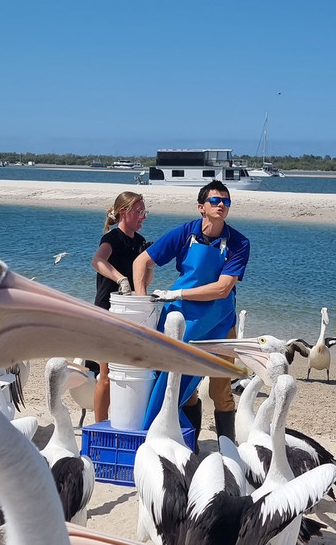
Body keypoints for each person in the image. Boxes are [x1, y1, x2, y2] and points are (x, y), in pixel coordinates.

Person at [133, 181, 250, 440]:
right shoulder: (184, 233)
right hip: (181, 319)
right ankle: (189, 442)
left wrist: (176, 293)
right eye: (215, 201)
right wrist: (142, 301)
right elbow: (142, 261)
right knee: (183, 385)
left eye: (226, 202)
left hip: (220, 323)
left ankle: (227, 450)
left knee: (220, 390)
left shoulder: (239, 243)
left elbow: (222, 289)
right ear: (201, 207)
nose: (221, 205)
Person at [90, 192, 150, 423]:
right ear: (123, 212)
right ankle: (99, 426)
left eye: (144, 212)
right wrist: (120, 279)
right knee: (105, 376)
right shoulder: (112, 239)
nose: (142, 216)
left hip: (129, 314)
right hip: (106, 313)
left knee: (132, 375)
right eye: (138, 211)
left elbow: (142, 283)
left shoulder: (140, 241)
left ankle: (127, 421)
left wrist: (150, 265)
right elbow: (97, 261)